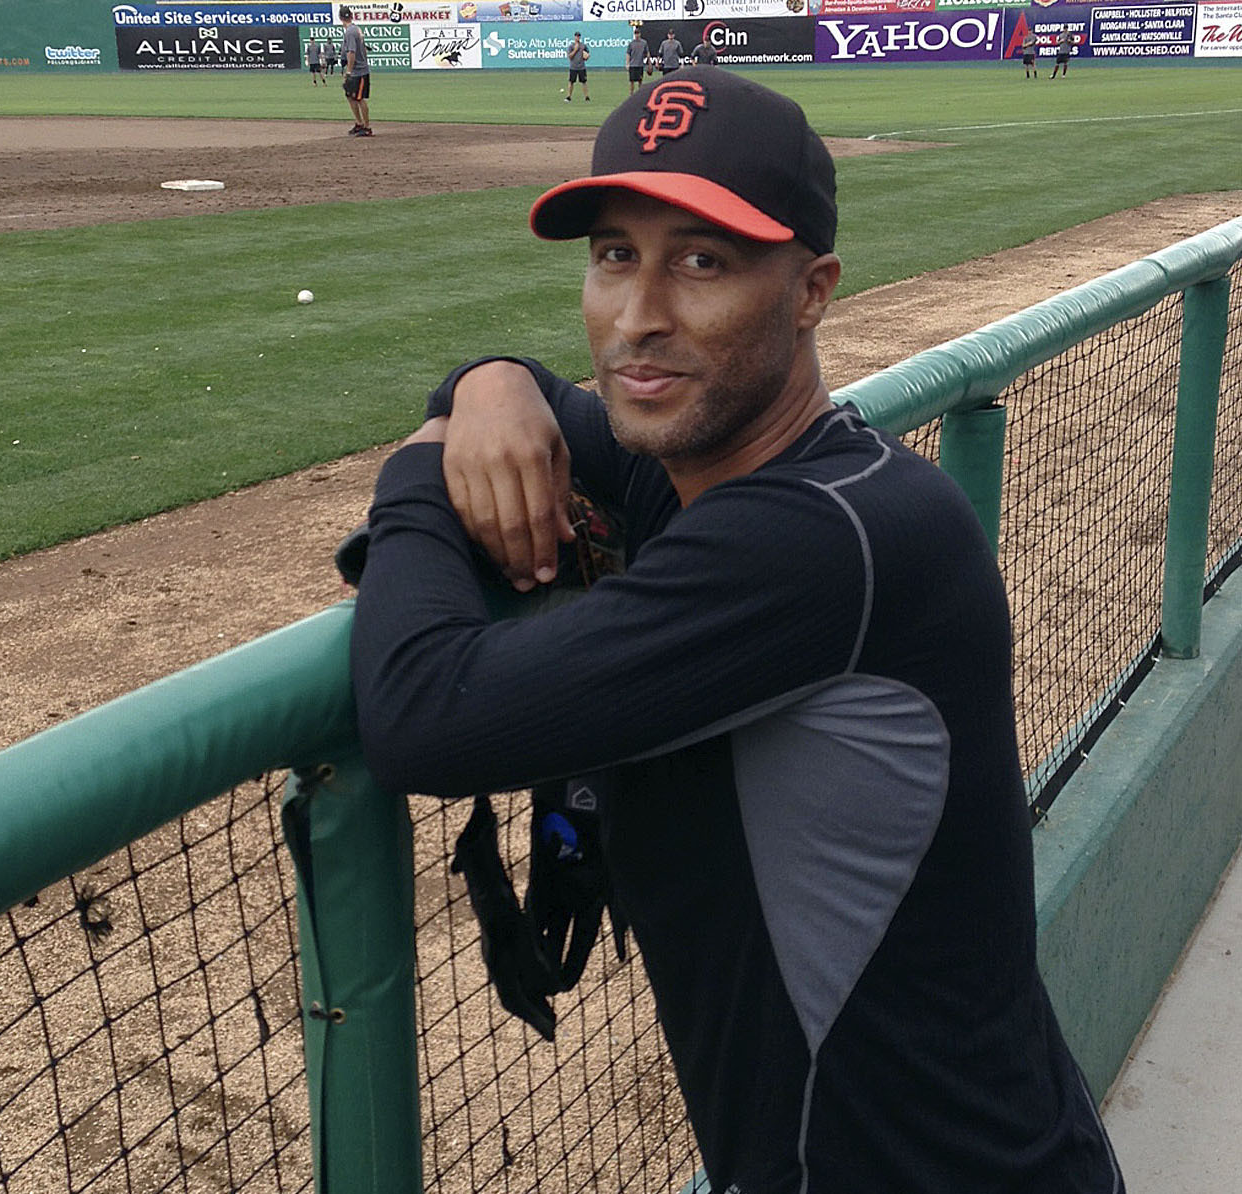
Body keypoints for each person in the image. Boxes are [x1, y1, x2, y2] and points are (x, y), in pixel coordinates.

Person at [348, 68, 1126, 1193]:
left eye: (702, 261)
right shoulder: (731, 473)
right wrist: (489, 382)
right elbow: (560, 404)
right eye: (615, 253)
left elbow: (424, 716)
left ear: (811, 291)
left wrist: (416, 471)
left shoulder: (824, 539)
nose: (637, 315)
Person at [338, 8, 372, 136]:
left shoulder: (350, 32)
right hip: (359, 69)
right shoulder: (355, 29)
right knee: (350, 96)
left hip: (358, 71)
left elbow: (351, 53)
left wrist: (348, 72)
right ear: (351, 16)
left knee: (359, 98)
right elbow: (363, 50)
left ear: (340, 18)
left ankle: (367, 127)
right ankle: (359, 123)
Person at [565, 31, 590, 102]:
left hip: (581, 67)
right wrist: (575, 50)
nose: (577, 37)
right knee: (571, 82)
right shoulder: (571, 46)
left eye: (579, 36)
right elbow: (570, 56)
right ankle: (568, 96)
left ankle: (586, 97)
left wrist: (587, 57)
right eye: (576, 36)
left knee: (584, 82)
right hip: (573, 67)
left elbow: (587, 54)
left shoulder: (583, 46)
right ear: (574, 37)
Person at [624, 26, 648, 94]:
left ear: (640, 34)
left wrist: (648, 63)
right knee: (631, 81)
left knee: (640, 81)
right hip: (632, 64)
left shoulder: (644, 43)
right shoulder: (631, 44)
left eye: (638, 33)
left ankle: (640, 94)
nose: (637, 35)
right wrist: (627, 63)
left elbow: (647, 53)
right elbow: (628, 54)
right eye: (636, 34)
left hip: (640, 64)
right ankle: (631, 94)